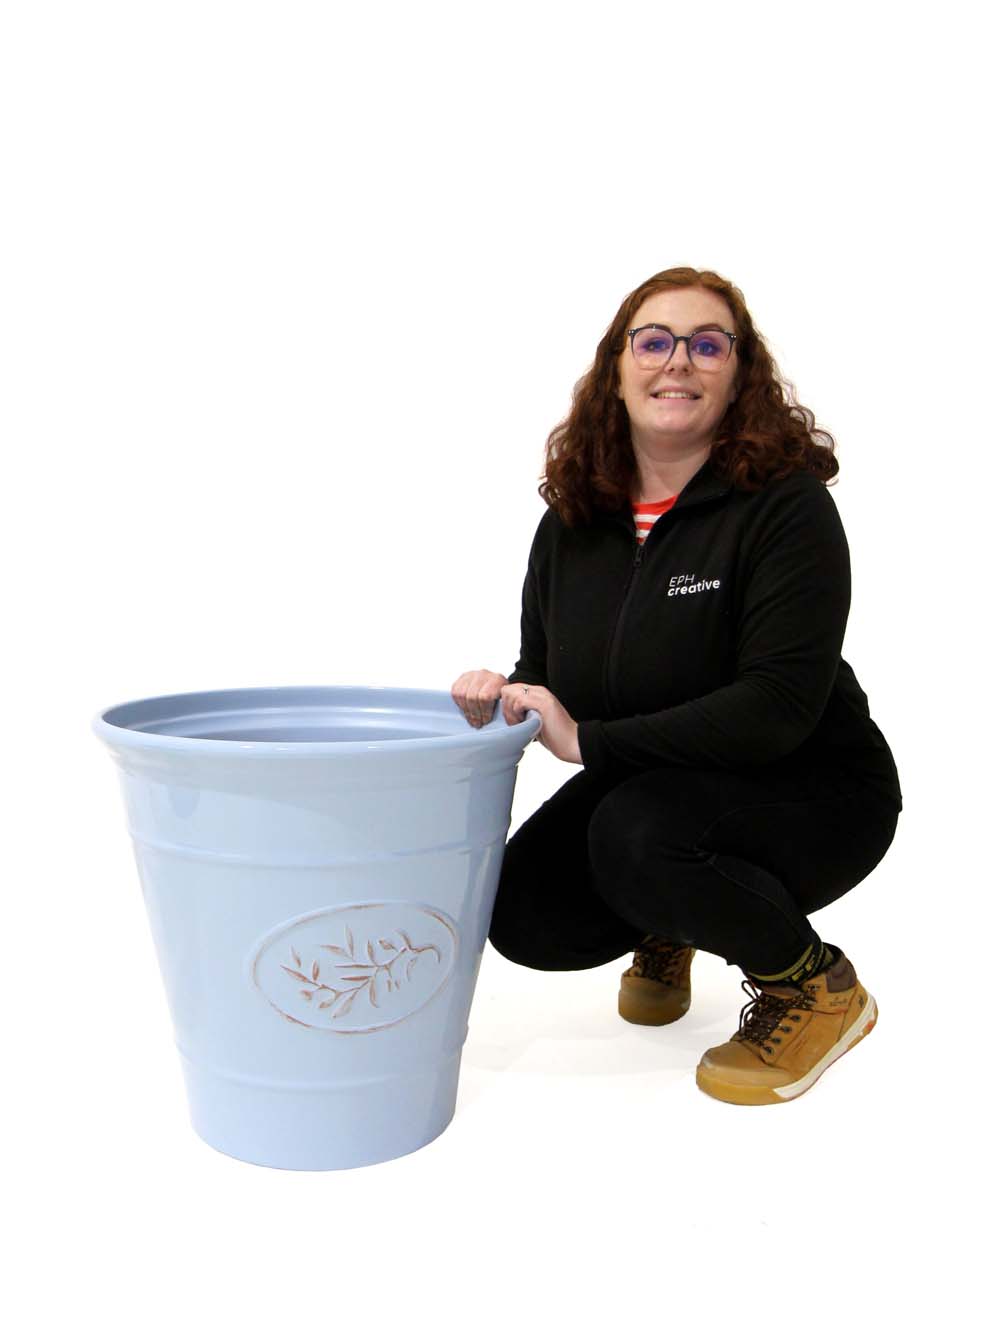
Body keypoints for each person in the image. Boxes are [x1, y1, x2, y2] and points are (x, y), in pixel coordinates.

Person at [450, 266, 902, 1106]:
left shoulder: (786, 508)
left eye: (707, 345)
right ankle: (678, 915)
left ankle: (816, 986)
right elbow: (546, 667)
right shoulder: (572, 523)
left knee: (636, 836)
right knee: (523, 909)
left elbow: (777, 708)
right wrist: (505, 692)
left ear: (740, 373)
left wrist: (589, 742)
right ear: (617, 369)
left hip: (817, 788)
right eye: (654, 341)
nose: (678, 362)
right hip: (660, 784)